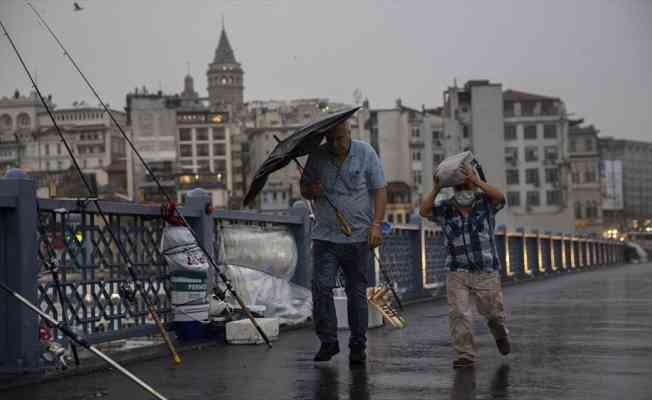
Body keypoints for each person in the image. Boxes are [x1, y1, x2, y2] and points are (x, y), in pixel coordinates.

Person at [300, 121, 386, 365]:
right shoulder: (317, 155)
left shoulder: (365, 152)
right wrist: (311, 190)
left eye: (339, 138)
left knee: (356, 291)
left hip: (358, 236)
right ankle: (328, 341)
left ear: (349, 133)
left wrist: (377, 225)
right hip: (325, 235)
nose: (335, 144)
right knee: (321, 286)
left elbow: (380, 189)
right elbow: (304, 189)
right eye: (330, 140)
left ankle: (358, 344)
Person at [419, 163, 511, 369]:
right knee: (459, 313)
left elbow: (501, 198)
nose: (463, 190)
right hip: (457, 270)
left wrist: (477, 182)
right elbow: (424, 211)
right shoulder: (445, 208)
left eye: (465, 185)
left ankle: (500, 333)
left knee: (493, 314)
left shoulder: (485, 203)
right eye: (458, 186)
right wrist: (436, 188)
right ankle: (465, 355)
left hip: (485, 270)